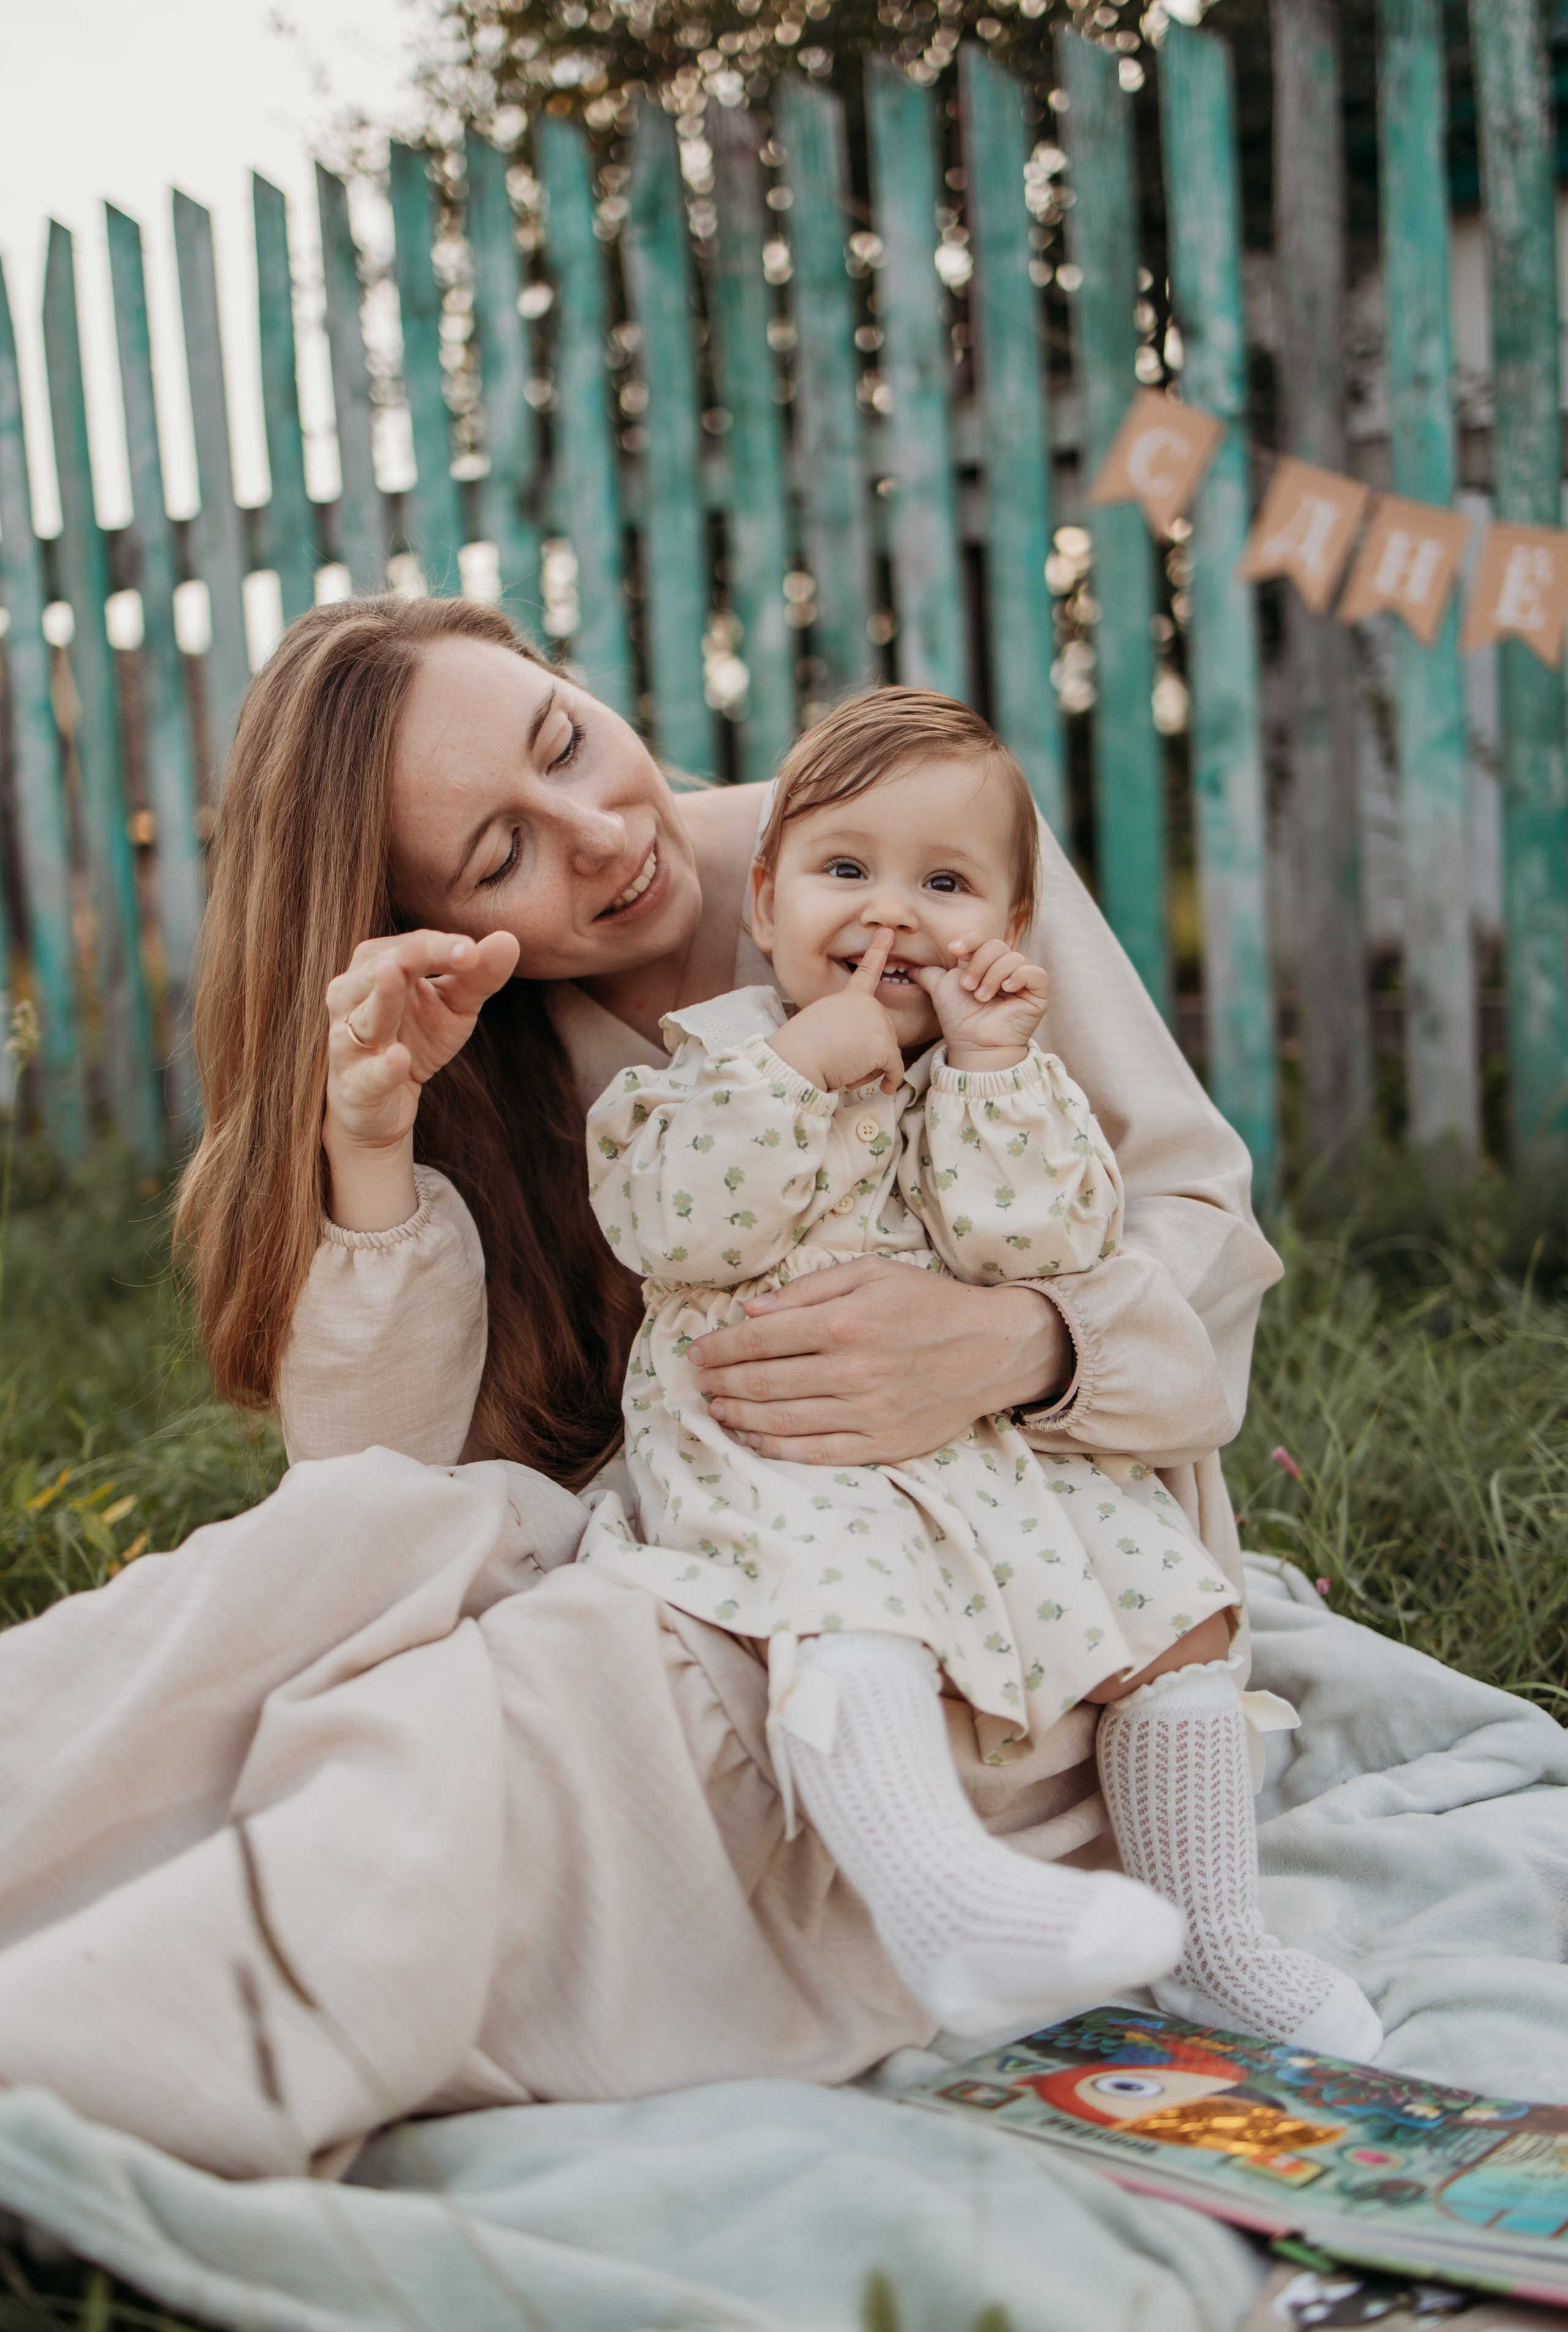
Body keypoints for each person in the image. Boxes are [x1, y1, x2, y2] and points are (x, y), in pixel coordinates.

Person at [0, 597, 1291, 2177]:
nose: (603, 830)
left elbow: (1193, 1209)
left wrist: (1021, 1341)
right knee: (302, 1576)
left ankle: (92, 2048)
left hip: (988, 1577)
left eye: (564, 735)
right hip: (697, 1516)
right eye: (498, 860)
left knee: (506, 1734)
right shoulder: (489, 1042)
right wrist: (370, 1138)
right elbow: (385, 1474)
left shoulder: (903, 843)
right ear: (419, 915)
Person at [579, 690, 1379, 2060]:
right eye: (844, 869)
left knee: (1167, 1589)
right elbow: (673, 1223)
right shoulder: (694, 1073)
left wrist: (998, 1070)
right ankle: (939, 1900)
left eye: (942, 883)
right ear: (762, 902)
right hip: (780, 1446)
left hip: (972, 1442)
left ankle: (1210, 1937)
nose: (888, 913)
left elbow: (1044, 1242)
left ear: (1004, 936)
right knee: (854, 1602)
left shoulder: (985, 1076)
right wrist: (795, 1066)